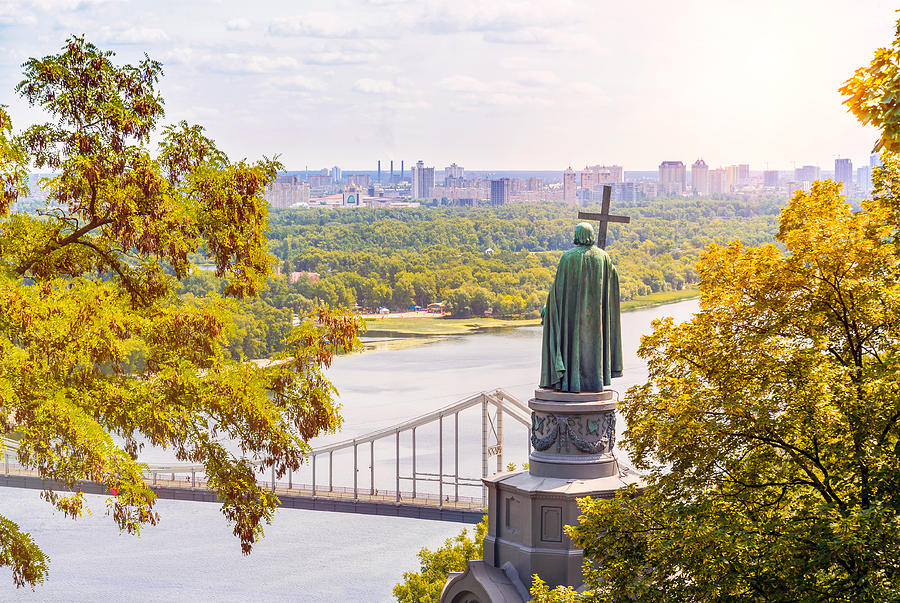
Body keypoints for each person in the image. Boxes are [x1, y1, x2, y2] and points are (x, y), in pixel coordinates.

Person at [540, 222, 622, 392]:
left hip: (572, 319)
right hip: (596, 321)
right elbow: (612, 281)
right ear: (591, 236)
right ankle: (594, 382)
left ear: (577, 236)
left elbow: (558, 290)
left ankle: (572, 381)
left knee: (572, 343)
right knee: (593, 347)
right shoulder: (603, 257)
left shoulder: (568, 258)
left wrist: (549, 309)